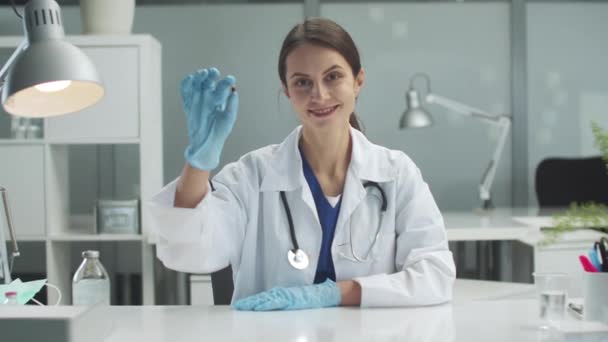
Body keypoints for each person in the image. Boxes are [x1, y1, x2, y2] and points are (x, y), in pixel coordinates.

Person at [147, 17, 455, 311]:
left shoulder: (396, 174)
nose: (318, 95)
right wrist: (199, 160)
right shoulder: (252, 175)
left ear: (358, 81)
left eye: (333, 77)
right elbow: (190, 252)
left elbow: (435, 276)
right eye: (302, 82)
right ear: (287, 91)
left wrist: (335, 293)